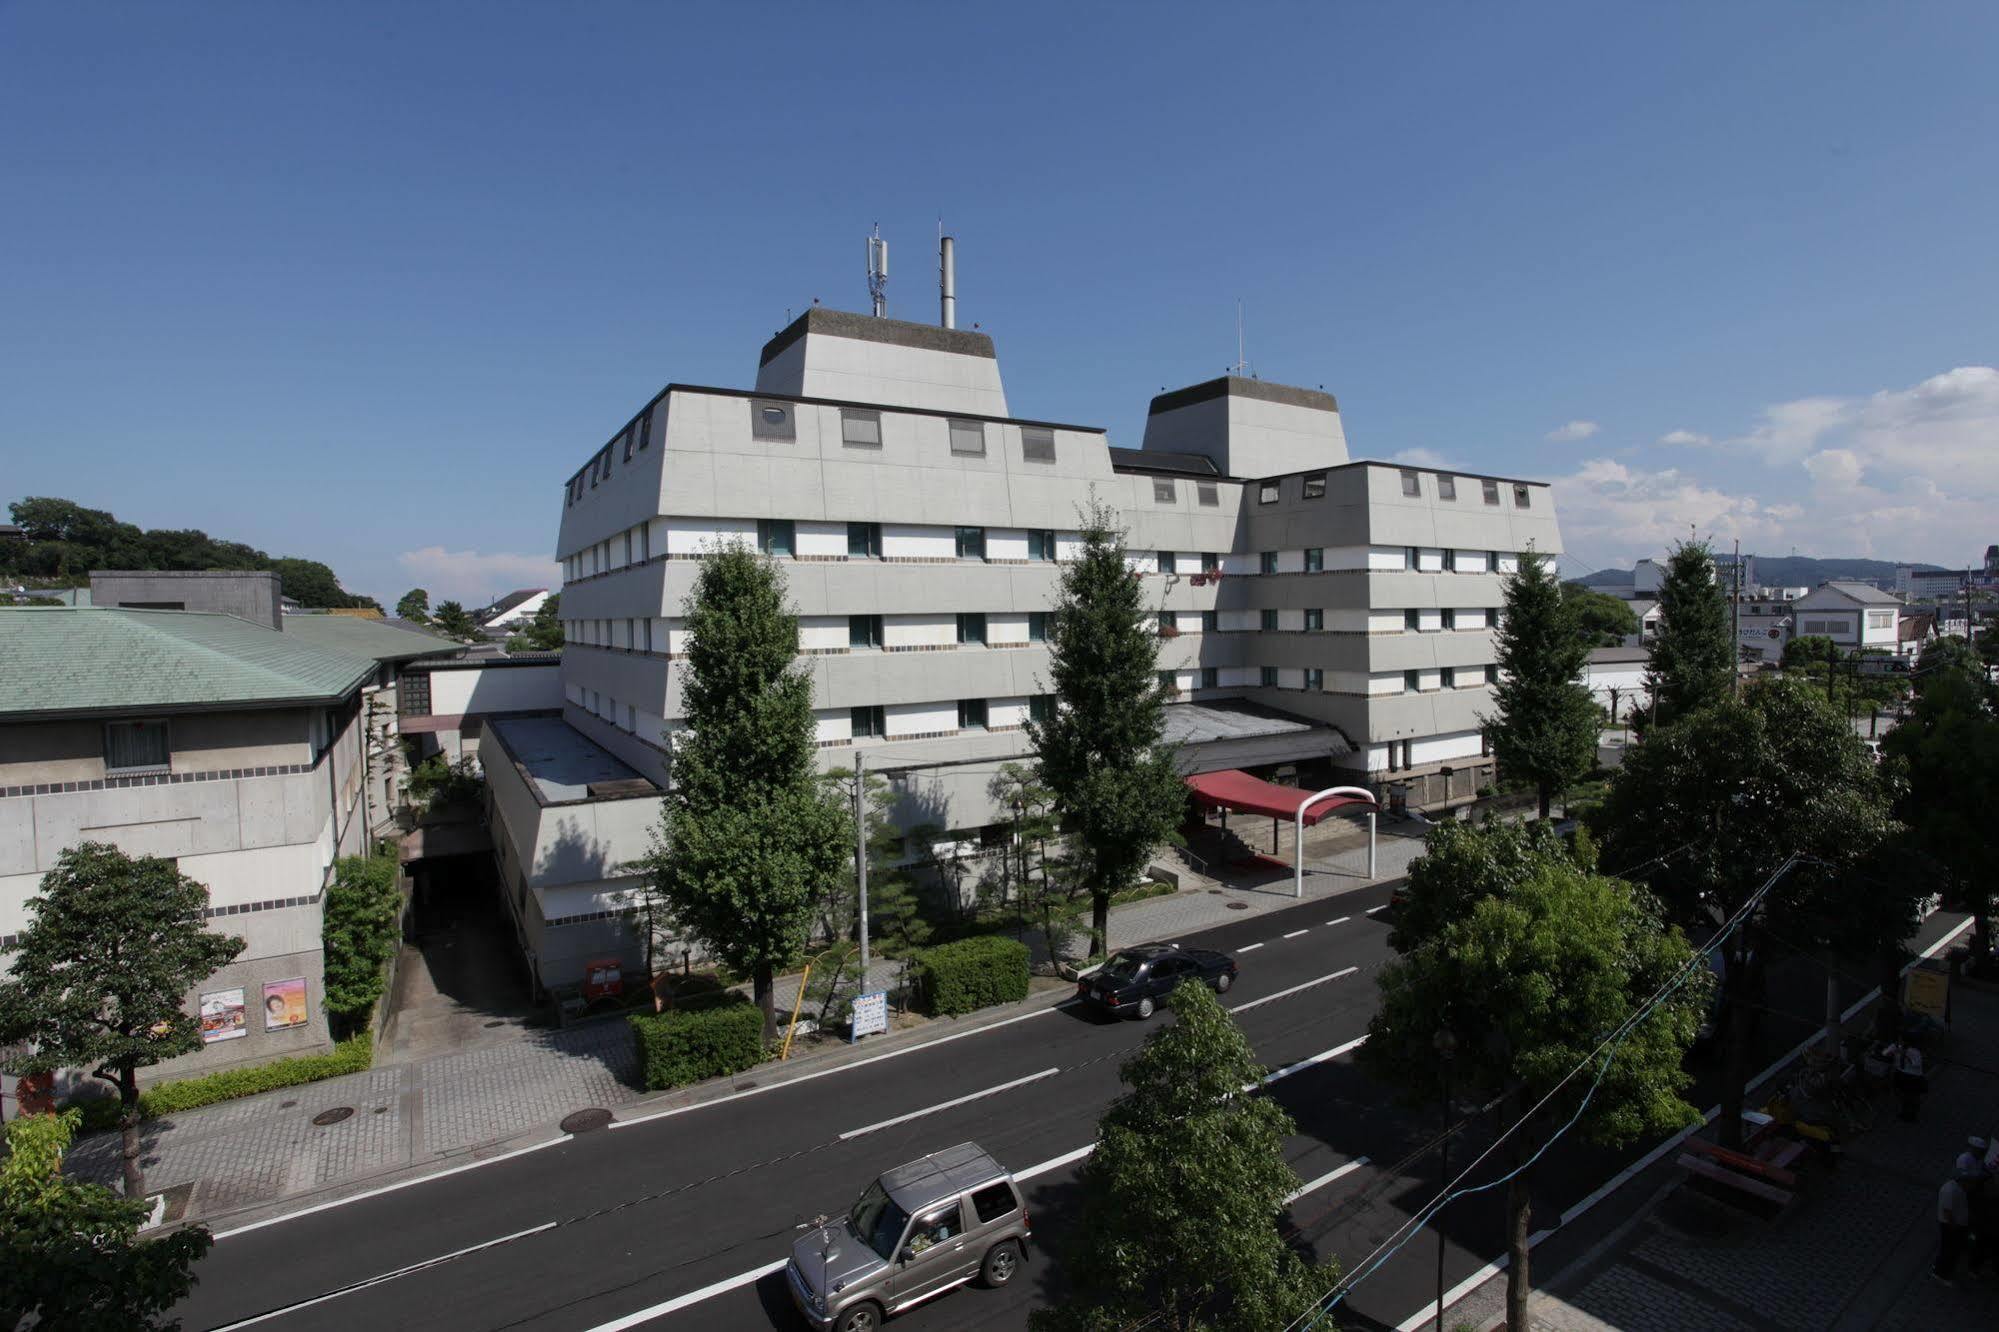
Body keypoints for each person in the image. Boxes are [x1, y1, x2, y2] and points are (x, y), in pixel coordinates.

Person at [1937, 1167, 1973, 1284]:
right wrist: (1954, 1227)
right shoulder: (1950, 1190)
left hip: (1956, 1224)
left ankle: (1943, 1269)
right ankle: (1942, 1273)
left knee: (1950, 1249)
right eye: (1965, 1179)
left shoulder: (1958, 1187)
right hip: (1951, 1226)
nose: (1967, 1181)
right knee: (1949, 1250)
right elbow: (1947, 1212)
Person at [1896, 1040, 1928, 1123]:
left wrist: (1906, 1056)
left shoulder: (1915, 1052)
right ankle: (1904, 1112)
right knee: (1904, 1095)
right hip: (1902, 1075)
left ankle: (1913, 1114)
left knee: (1913, 1096)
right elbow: (1885, 1053)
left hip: (1914, 1077)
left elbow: (1916, 1064)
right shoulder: (1897, 1048)